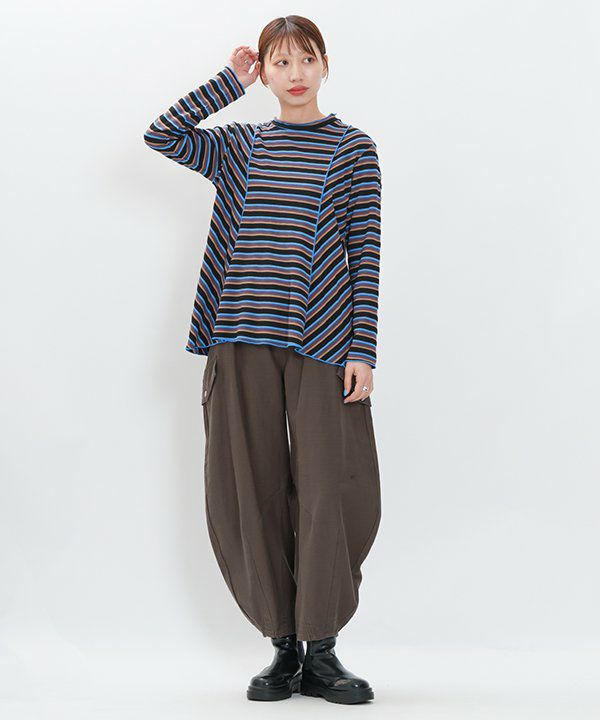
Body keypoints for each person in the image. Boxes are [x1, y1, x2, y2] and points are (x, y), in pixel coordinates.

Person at [143, 15, 382, 705]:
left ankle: (322, 648)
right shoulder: (240, 146)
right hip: (238, 335)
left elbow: (365, 250)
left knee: (332, 486)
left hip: (322, 341)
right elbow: (164, 135)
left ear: (325, 65)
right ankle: (281, 646)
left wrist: (362, 348)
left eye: (306, 59)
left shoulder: (353, 149)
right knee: (247, 484)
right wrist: (230, 81)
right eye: (280, 62)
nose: (295, 73)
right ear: (267, 73)